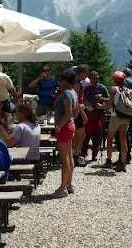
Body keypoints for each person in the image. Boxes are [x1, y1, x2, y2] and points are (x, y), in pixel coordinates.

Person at [52, 68, 79, 197]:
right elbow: (76, 111)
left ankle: (62, 187)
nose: (58, 81)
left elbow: (68, 112)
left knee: (64, 158)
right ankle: (68, 184)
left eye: (60, 79)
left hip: (64, 127)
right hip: (70, 125)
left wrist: (59, 126)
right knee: (69, 155)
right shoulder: (73, 92)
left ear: (66, 81)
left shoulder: (67, 94)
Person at [97, 70, 131, 172]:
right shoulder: (126, 89)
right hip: (125, 117)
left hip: (115, 116)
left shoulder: (113, 89)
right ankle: (122, 163)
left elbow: (110, 104)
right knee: (123, 140)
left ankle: (109, 161)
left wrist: (101, 107)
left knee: (110, 139)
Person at [80, 71, 109, 162]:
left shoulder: (102, 88)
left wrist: (102, 99)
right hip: (89, 113)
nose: (95, 80)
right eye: (93, 78)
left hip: (99, 114)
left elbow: (109, 100)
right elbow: (83, 100)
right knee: (86, 135)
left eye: (97, 78)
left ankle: (95, 154)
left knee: (98, 135)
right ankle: (83, 153)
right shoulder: (87, 88)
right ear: (90, 78)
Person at [71, 65, 90, 167]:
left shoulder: (75, 82)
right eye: (86, 73)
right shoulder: (76, 84)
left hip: (76, 110)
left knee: (78, 134)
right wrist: (83, 114)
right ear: (81, 73)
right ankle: (75, 155)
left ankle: (73, 154)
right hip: (76, 111)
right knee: (81, 135)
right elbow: (76, 100)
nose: (87, 75)